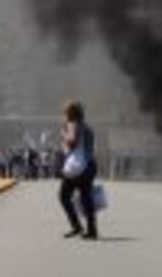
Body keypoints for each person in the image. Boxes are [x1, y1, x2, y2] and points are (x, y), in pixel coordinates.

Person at [58, 100, 98, 240]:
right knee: (86, 198)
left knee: (64, 196)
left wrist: (63, 134)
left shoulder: (73, 125)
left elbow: (72, 143)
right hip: (89, 165)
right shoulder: (87, 128)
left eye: (65, 113)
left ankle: (77, 226)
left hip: (78, 167)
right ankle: (92, 230)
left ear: (70, 113)